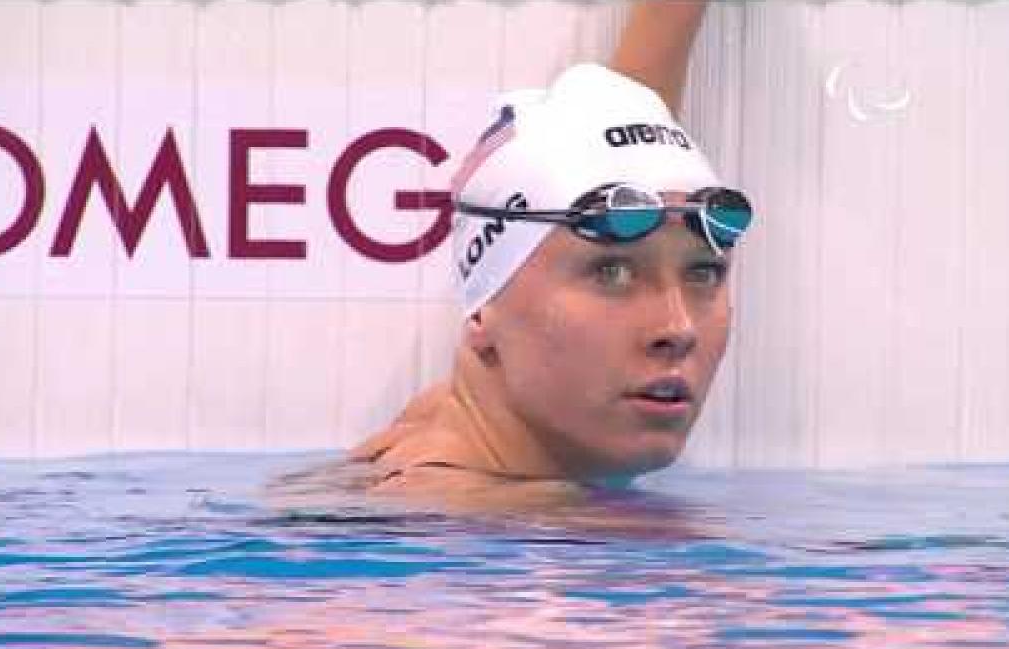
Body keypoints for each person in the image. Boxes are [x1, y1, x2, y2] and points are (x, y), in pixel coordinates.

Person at [274, 1, 752, 515]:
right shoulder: (517, 529)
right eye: (611, 273)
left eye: (703, 271)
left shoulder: (469, 438)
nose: (677, 328)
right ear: (482, 308)